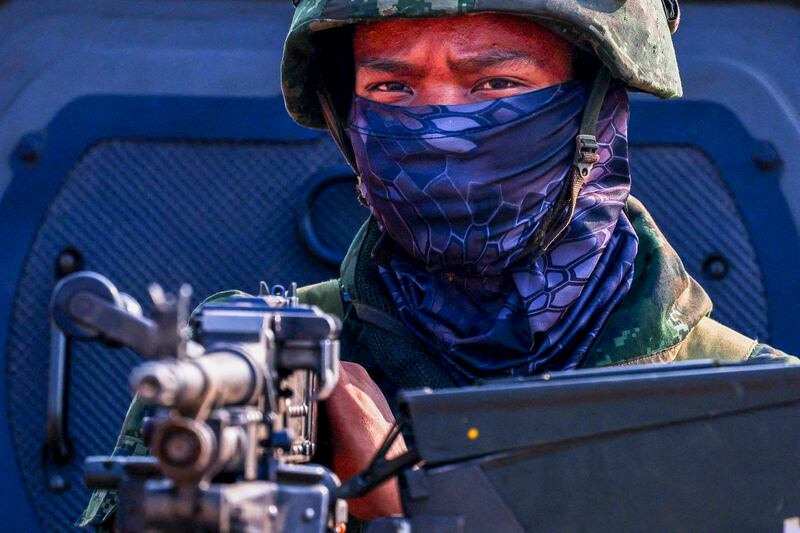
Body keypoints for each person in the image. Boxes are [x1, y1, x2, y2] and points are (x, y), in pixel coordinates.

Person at [78, 0, 795, 528]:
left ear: (596, 108)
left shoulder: (766, 419)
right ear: (349, 118)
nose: (441, 131)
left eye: (495, 86)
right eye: (392, 89)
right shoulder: (246, 374)